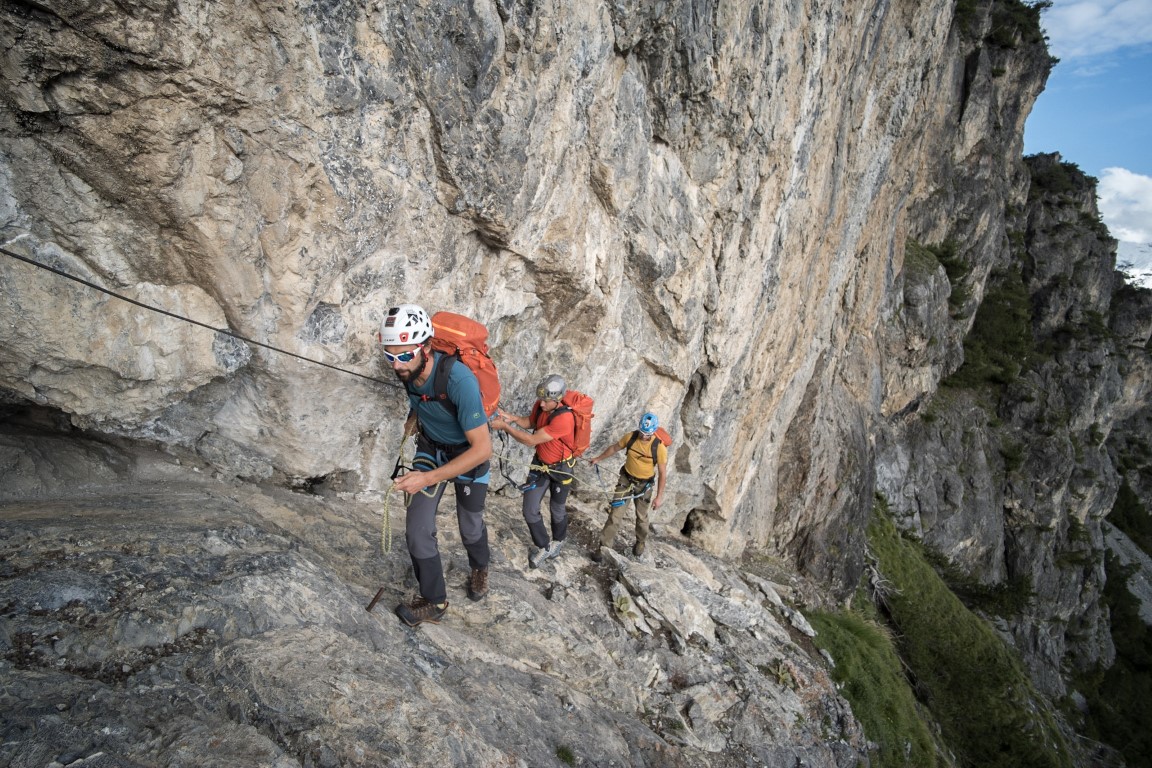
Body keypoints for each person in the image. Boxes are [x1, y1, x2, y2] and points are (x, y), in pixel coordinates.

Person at [382, 304, 493, 626]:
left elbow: (482, 448)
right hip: (430, 448)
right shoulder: (408, 372)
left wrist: (427, 477)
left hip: (468, 456)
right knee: (417, 529)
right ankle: (434, 600)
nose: (397, 365)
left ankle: (480, 566)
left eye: (404, 356)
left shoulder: (459, 380)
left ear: (426, 348)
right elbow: (423, 398)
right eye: (390, 356)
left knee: (470, 525)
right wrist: (414, 418)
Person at [491, 374, 577, 568]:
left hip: (561, 468)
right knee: (529, 509)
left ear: (557, 400)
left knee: (557, 508)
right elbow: (531, 422)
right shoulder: (541, 406)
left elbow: (530, 440)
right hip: (541, 464)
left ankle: (559, 540)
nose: (542, 404)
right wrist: (511, 418)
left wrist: (505, 426)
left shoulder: (565, 418)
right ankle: (544, 546)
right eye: (541, 399)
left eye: (546, 401)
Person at [588, 412, 668, 562]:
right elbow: (614, 448)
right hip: (626, 480)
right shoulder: (631, 437)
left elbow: (663, 473)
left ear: (653, 432)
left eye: (647, 434)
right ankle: (603, 548)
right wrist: (598, 458)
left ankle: (640, 541)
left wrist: (659, 497)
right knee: (615, 515)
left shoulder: (659, 448)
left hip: (644, 486)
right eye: (642, 433)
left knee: (641, 517)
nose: (643, 436)